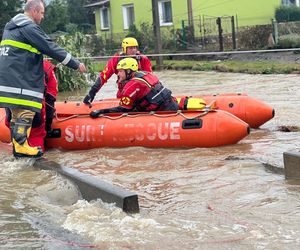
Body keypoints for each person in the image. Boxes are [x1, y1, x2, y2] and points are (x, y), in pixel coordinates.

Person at [0, 0, 87, 158]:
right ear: (33, 11)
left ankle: (18, 145)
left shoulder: (10, 27)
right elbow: (50, 47)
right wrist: (75, 64)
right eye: (41, 13)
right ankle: (21, 146)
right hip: (19, 79)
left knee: (15, 113)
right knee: (26, 111)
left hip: (7, 79)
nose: (42, 17)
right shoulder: (28, 27)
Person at [90, 58, 178, 118]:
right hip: (172, 105)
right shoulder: (147, 74)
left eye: (120, 71)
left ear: (128, 71)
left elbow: (124, 109)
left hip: (164, 112)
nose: (118, 74)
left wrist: (100, 111)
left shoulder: (131, 85)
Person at [5, 59, 58, 152]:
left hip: (12, 109)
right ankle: (36, 160)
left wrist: (8, 119)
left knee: (17, 143)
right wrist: (48, 126)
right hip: (33, 109)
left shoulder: (11, 64)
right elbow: (50, 99)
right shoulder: (47, 67)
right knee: (36, 136)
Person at [83, 37, 152, 104]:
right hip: (124, 92)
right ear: (124, 49)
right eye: (130, 48)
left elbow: (150, 78)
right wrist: (92, 93)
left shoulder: (143, 59)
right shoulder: (116, 59)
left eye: (135, 47)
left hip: (139, 92)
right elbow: (103, 76)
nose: (134, 50)